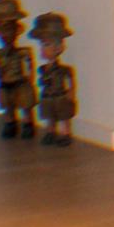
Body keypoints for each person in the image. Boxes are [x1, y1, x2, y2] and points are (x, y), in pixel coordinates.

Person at [0, 0, 36, 139]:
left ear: (18, 29)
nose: (5, 34)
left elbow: (29, 66)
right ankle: (10, 123)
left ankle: (27, 124)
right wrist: (0, 81)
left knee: (25, 102)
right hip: (5, 83)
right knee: (7, 104)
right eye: (1, 29)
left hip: (20, 82)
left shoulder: (23, 52)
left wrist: (29, 80)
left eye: (9, 29)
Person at [30, 12, 78, 148]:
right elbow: (41, 82)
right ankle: (50, 131)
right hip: (47, 97)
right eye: (42, 45)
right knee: (49, 115)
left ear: (59, 47)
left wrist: (71, 94)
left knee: (63, 115)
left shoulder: (64, 70)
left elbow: (71, 82)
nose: (42, 50)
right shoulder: (42, 69)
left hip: (60, 96)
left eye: (46, 45)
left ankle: (65, 133)